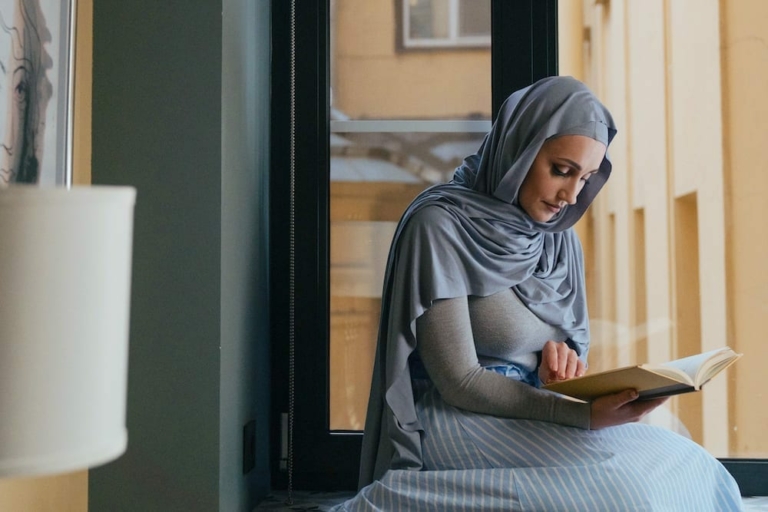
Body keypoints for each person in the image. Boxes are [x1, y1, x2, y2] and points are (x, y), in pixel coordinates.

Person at [330, 76, 743, 511]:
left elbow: (565, 354)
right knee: (625, 494)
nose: (570, 195)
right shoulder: (439, 226)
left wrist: (564, 377)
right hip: (460, 418)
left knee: (696, 466)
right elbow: (459, 381)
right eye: (561, 170)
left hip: (540, 404)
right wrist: (579, 414)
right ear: (520, 149)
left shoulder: (559, 240)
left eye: (584, 178)